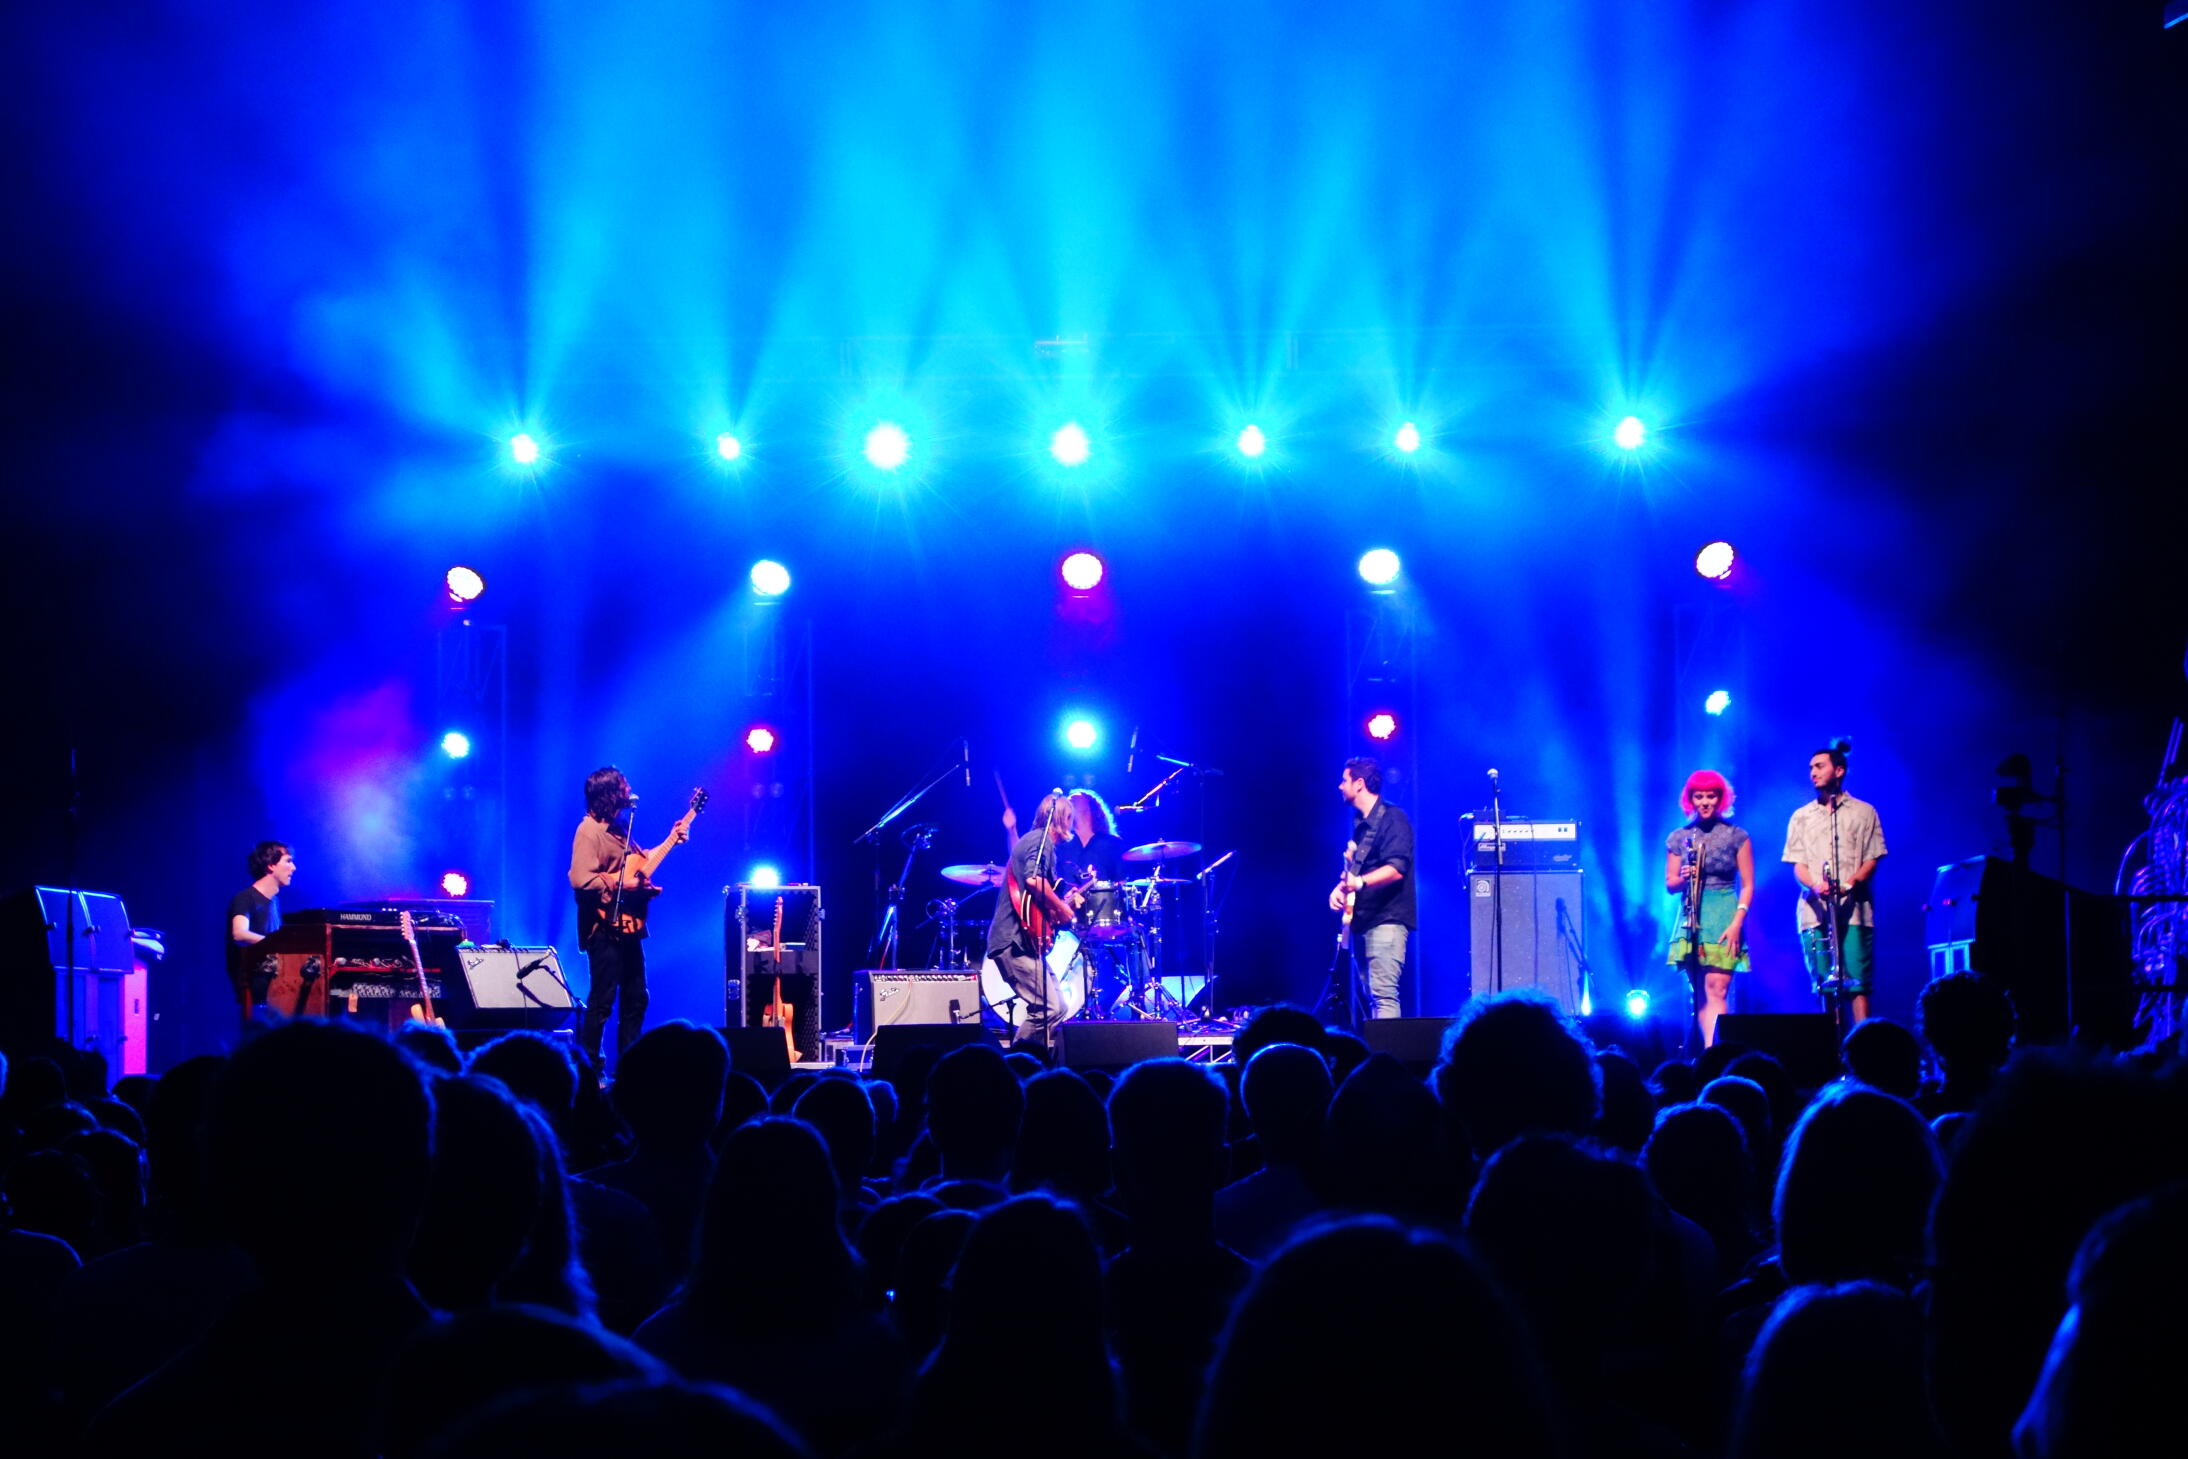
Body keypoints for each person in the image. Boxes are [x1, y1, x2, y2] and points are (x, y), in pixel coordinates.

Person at [568, 767, 698, 1067]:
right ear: (609, 793)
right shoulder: (589, 831)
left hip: (627, 925)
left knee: (636, 997)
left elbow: (639, 864)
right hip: (603, 927)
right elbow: (580, 879)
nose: (628, 790)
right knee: (602, 1000)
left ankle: (630, 1066)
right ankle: (589, 1068)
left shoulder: (618, 828)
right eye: (623, 786)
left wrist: (672, 839)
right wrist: (622, 884)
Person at [1783, 745, 1887, 1025]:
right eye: (1811, 768)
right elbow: (1798, 865)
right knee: (1825, 986)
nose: (1813, 773)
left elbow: (1872, 857)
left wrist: (1851, 884)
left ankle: (1863, 1042)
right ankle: (1832, 1043)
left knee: (1858, 984)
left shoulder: (1864, 812)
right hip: (1815, 912)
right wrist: (1816, 885)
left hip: (1855, 911)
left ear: (1839, 770)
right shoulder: (1801, 816)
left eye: (1819, 766)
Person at [1666, 770, 1754, 1048]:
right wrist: (1685, 877)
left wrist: (1737, 923)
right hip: (1692, 915)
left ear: (1721, 798)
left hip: (1724, 912)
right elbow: (1670, 884)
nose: (1705, 801)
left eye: (1711, 796)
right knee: (1701, 994)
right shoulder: (1679, 837)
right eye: (1699, 796)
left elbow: (1748, 885)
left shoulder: (1736, 835)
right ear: (1690, 799)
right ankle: (1708, 1051)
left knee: (1717, 988)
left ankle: (1716, 1054)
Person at [1326, 756, 1415, 1020]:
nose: (1340, 786)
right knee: (1372, 995)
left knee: (1384, 995)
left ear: (1359, 784)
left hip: (1386, 919)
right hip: (1364, 921)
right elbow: (1357, 872)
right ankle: (1378, 1044)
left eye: (1344, 780)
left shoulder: (1393, 818)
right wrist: (1341, 888)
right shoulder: (1361, 826)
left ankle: (1388, 1047)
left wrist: (1360, 882)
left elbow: (1397, 867)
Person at [985, 792, 1076, 1045]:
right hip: (1013, 942)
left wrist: (1061, 904)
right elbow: (1034, 880)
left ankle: (1036, 1061)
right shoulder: (1040, 840)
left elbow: (1034, 899)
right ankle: (1017, 1062)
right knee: (1049, 1007)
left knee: (1058, 1007)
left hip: (1023, 943)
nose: (1071, 824)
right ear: (1061, 817)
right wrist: (1062, 908)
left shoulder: (1035, 841)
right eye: (1070, 817)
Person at [226, 840, 294, 1010]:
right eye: (288, 861)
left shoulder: (274, 902)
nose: (293, 868)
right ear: (271, 865)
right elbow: (239, 933)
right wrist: (276, 944)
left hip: (275, 986)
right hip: (255, 987)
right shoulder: (245, 898)